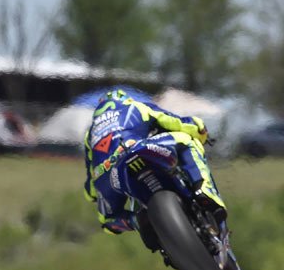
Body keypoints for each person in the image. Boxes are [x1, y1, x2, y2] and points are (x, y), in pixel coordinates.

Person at [83, 89, 226, 240]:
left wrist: (94, 195)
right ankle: (204, 190)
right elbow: (177, 122)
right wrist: (200, 129)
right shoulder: (136, 106)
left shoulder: (90, 133)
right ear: (125, 99)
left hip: (107, 176)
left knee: (108, 220)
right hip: (137, 148)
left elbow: (90, 185)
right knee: (186, 141)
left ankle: (136, 221)